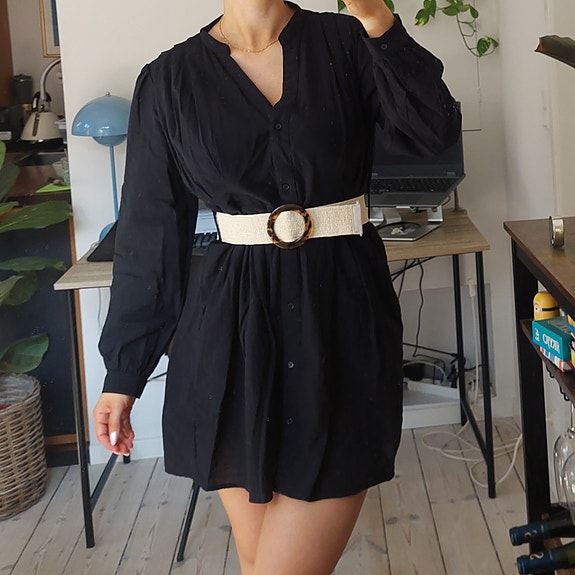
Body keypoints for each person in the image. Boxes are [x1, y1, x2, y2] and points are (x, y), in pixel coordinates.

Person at [93, 0, 461, 573]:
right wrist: (124, 373)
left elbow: (433, 132)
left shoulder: (350, 43)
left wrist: (378, 21)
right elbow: (149, 234)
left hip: (340, 328)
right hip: (230, 345)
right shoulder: (169, 80)